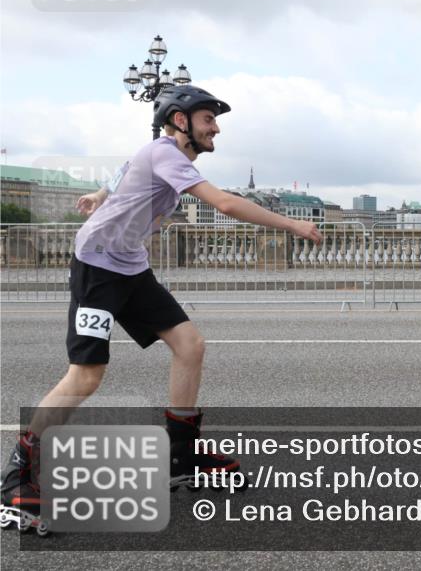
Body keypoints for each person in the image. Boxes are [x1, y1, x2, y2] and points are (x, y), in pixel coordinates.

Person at [0, 85, 321, 534]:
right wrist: (293, 224)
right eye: (209, 119)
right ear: (180, 121)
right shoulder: (166, 153)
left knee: (190, 345)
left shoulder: (163, 156)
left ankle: (180, 454)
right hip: (97, 266)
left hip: (131, 266)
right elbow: (225, 203)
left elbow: (119, 175)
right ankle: (19, 472)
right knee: (87, 375)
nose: (217, 128)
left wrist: (97, 195)